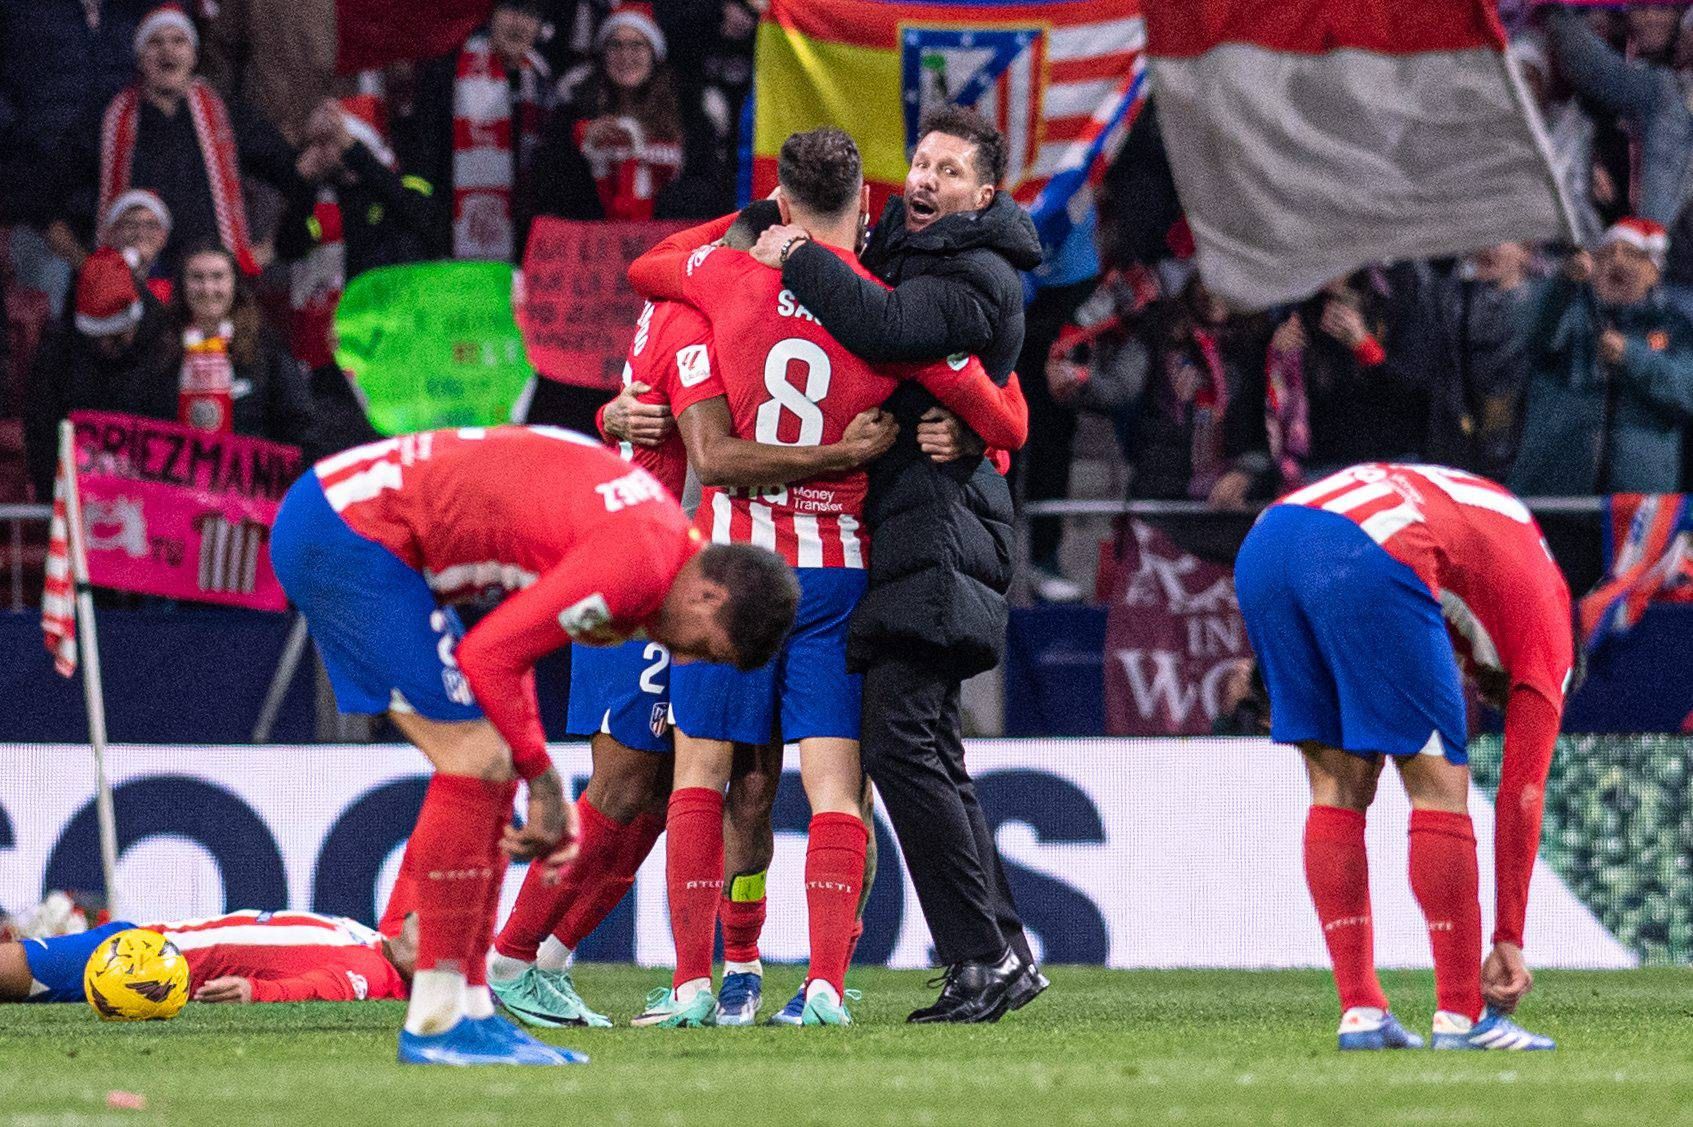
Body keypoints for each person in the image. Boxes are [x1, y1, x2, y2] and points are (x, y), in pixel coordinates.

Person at [625, 127, 1029, 1028]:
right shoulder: (883, 311)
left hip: (728, 567)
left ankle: (693, 985)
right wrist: (981, 434)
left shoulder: (724, 278)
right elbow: (999, 405)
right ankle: (825, 988)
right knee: (836, 790)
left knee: (701, 777)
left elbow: (649, 267)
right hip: (837, 569)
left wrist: (748, 229)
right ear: (869, 203)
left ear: (779, 201)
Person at [267, 426, 798, 1065]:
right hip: (351, 535)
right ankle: (438, 1020)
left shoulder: (653, 535)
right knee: (479, 760)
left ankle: (470, 1008)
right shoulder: (637, 565)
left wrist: (535, 771)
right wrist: (545, 783)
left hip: (349, 519)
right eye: (703, 648)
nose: (682, 659)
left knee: (488, 760)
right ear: (710, 595)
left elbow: (510, 650)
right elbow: (488, 657)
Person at [484, 206, 896, 1029]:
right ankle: (513, 956)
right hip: (651, 574)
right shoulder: (699, 316)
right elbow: (707, 451)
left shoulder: (706, 312)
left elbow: (655, 405)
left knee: (689, 790)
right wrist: (842, 455)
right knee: (630, 782)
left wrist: (613, 415)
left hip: (697, 566)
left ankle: (583, 961)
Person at [748, 105, 1046, 1024]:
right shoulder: (906, 246)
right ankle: (1001, 952)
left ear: (982, 197)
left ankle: (979, 955)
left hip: (941, 532)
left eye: (949, 171)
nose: (924, 178)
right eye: (920, 160)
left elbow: (882, 327)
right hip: (920, 526)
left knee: (901, 744)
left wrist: (796, 252)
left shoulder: (977, 275)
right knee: (929, 749)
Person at [1234, 462, 1576, 1052]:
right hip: (1370, 545)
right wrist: (1508, 937)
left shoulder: (1507, 551)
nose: (1487, 697)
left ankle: (1362, 1012)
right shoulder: (1550, 635)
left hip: (1269, 540)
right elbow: (1523, 793)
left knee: (1337, 785)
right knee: (1439, 785)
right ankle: (1464, 1017)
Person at [49, 3, 316, 277]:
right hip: (132, 286)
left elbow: (297, 176)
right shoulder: (105, 121)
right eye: (155, 42)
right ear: (139, 58)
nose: (168, 51)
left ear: (194, 56)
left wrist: (264, 253)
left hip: (209, 286)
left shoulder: (229, 117)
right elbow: (45, 202)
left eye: (178, 41)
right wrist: (92, 269)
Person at [1511, 217, 1693, 495]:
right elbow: (1534, 337)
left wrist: (1631, 357)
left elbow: (1686, 390)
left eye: (1631, 254)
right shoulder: (1569, 311)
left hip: (1637, 504)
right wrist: (1563, 285)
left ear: (1653, 271)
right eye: (1605, 254)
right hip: (1557, 494)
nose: (1615, 262)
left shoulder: (1675, 327)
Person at [1, 910, 414, 1006]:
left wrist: (256, 991)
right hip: (150, 938)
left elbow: (321, 988)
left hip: (141, 966)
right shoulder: (371, 938)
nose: (433, 927)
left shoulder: (375, 971)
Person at [22, 247, 176, 501]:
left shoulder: (166, 347)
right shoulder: (58, 354)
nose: (106, 346)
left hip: (152, 494)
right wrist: (55, 494)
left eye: (116, 337)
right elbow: (42, 432)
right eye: (98, 337)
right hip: (78, 495)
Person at [411, 0, 553, 260]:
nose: (519, 24)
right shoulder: (448, 72)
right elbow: (426, 155)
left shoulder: (544, 80)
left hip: (525, 236)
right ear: (491, 15)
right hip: (451, 234)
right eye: (511, 9)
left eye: (530, 14)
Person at [148, 243, 320, 452]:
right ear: (182, 286)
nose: (208, 289)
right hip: (174, 469)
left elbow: (299, 424)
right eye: (197, 278)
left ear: (235, 284)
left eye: (218, 277)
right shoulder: (159, 346)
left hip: (246, 470)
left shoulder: (265, 347)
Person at [530, 3, 689, 223]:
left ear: (654, 54)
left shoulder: (687, 113)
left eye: (637, 46)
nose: (625, 56)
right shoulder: (574, 112)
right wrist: (579, 144)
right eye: (615, 46)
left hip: (664, 233)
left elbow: (705, 189)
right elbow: (546, 188)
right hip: (594, 236)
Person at [98, 189, 173, 301]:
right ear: (112, 233)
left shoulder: (178, 285)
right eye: (130, 224)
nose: (140, 233)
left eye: (151, 225)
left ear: (164, 236)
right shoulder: (95, 278)